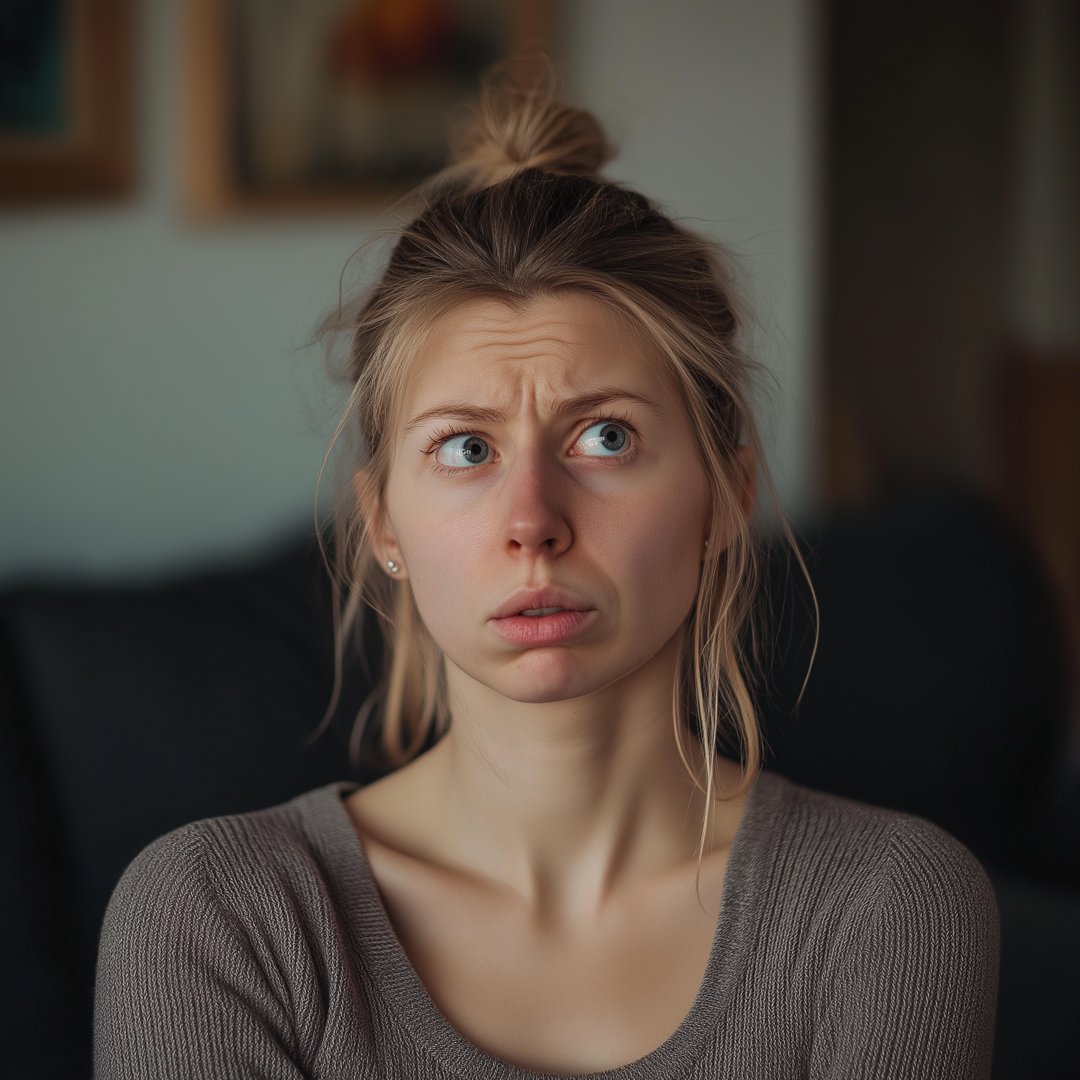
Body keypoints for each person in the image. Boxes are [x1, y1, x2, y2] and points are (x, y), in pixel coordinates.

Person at [93, 64, 1000, 1079]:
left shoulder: (888, 905)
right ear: (382, 521)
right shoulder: (220, 917)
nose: (533, 522)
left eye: (605, 436)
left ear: (726, 497)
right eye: (466, 449)